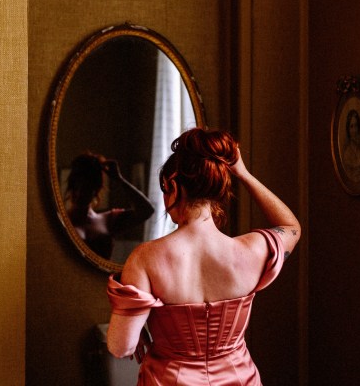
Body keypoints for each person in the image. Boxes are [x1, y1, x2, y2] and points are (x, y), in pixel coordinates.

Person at [106, 127, 301, 385]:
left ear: (173, 185)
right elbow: (291, 227)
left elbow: (122, 347)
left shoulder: (145, 258)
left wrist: (137, 318)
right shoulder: (251, 250)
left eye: (165, 190)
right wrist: (243, 173)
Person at [65, 152, 154, 259]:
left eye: (86, 188)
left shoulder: (108, 220)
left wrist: (119, 179)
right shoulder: (61, 220)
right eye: (76, 186)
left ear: (95, 190)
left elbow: (146, 210)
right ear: (71, 186)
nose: (79, 193)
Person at [342, 109, 360, 183]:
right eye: (351, 126)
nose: (354, 130)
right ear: (348, 129)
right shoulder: (346, 154)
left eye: (356, 126)